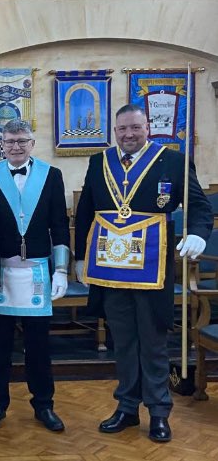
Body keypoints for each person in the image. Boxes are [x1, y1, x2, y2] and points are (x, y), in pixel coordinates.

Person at [75, 104, 212, 443]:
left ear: (147, 126)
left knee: (152, 340)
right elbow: (85, 212)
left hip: (154, 265)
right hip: (110, 267)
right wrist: (79, 258)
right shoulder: (99, 161)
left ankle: (158, 410)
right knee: (123, 341)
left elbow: (199, 205)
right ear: (115, 131)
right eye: (122, 129)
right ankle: (126, 407)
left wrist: (197, 231)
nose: (129, 135)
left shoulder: (173, 160)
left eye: (135, 127)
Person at [0, 120, 70, 432]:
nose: (15, 147)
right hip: (1, 272)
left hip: (37, 273)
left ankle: (44, 405)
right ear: (0, 144)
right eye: (9, 141)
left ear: (32, 143)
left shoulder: (51, 175)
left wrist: (61, 270)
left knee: (39, 345)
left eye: (21, 141)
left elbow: (59, 225)